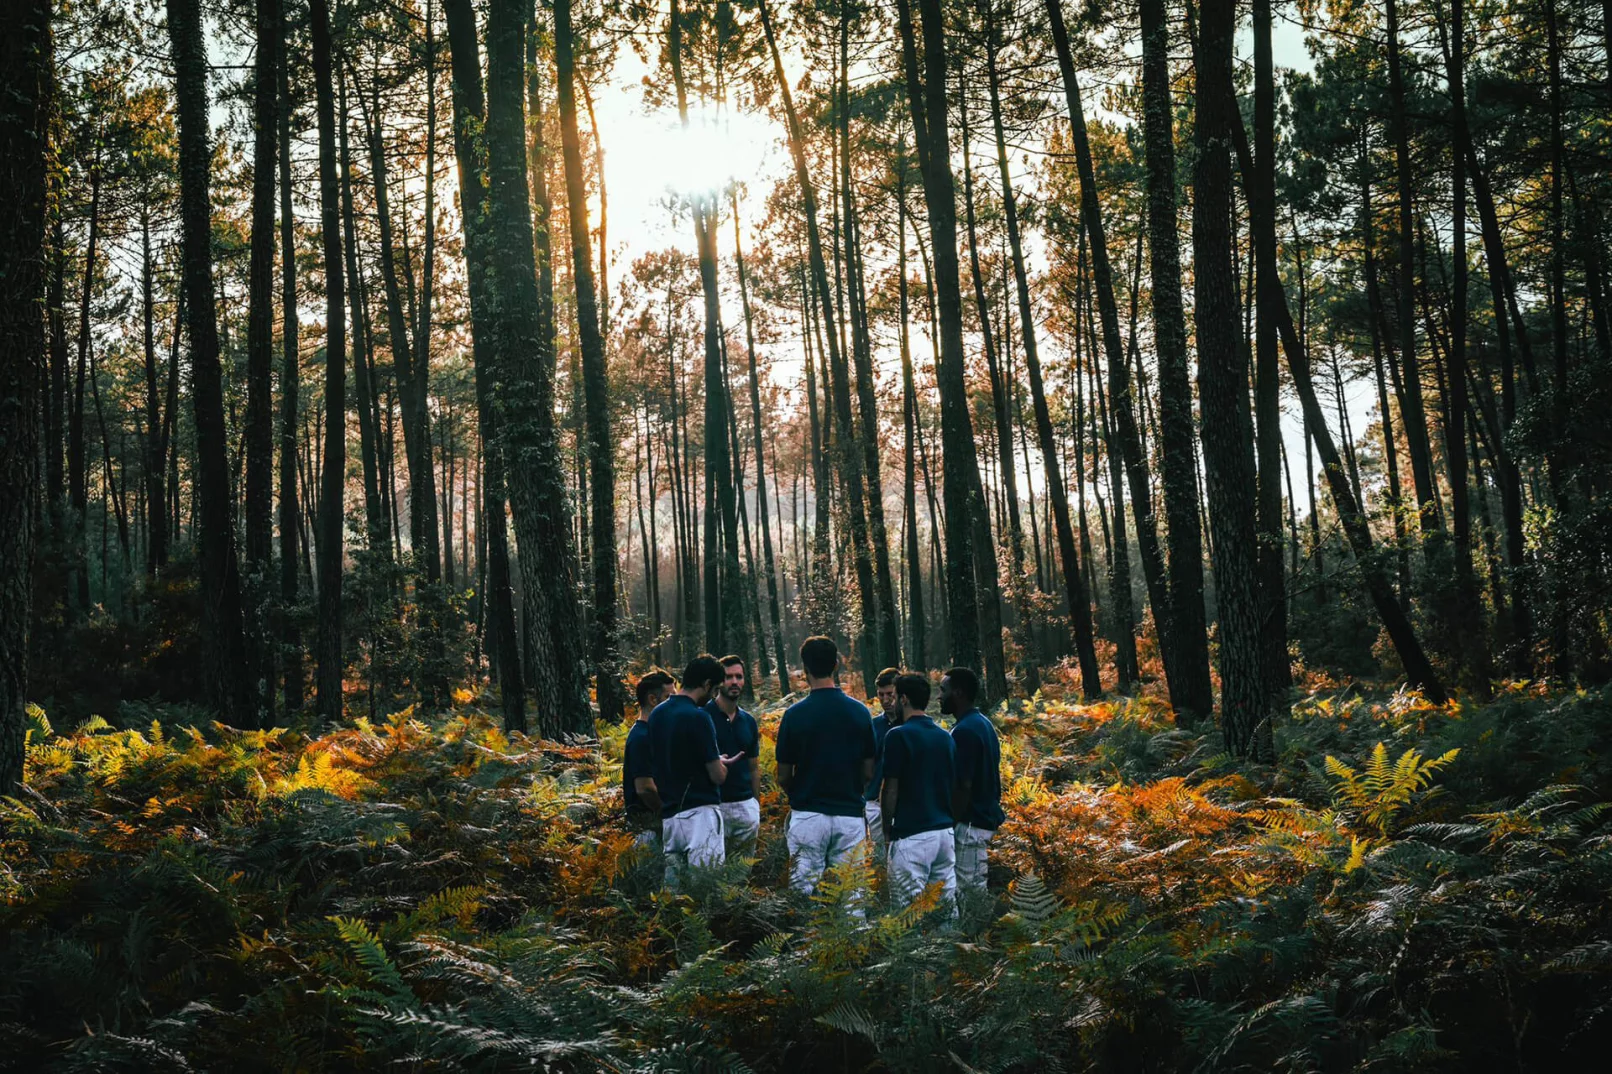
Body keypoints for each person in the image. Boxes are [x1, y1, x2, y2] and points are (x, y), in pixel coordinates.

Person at [774, 636, 877, 896]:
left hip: (808, 814)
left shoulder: (794, 715)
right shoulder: (860, 712)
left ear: (804, 669)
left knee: (803, 896)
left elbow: (783, 775)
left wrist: (800, 793)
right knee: (851, 897)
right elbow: (868, 771)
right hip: (849, 815)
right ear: (835, 666)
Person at [648, 655, 745, 888]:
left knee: (674, 892)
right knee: (705, 890)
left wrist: (711, 759)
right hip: (700, 814)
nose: (713, 696)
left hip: (671, 815)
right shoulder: (699, 717)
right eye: (714, 690)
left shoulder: (658, 714)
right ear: (707, 684)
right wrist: (721, 765)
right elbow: (717, 776)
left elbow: (672, 756)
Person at [880, 673, 956, 908]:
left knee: (906, 915)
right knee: (945, 909)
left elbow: (890, 789)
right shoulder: (945, 737)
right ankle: (951, 945)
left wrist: (886, 830)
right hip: (944, 833)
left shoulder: (897, 736)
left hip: (912, 835)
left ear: (903, 699)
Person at [943, 667, 1004, 895]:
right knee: (971, 885)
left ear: (957, 693)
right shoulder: (982, 723)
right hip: (979, 819)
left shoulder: (965, 731)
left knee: (969, 889)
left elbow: (963, 785)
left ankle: (977, 929)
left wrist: (951, 822)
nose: (939, 696)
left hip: (969, 824)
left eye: (943, 690)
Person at [709, 655, 762, 859]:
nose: (734, 682)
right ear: (718, 681)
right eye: (728, 677)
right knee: (713, 870)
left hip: (745, 806)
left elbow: (754, 768)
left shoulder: (748, 721)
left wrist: (755, 805)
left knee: (742, 873)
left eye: (738, 677)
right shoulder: (703, 716)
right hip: (714, 806)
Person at [624, 670, 676, 849]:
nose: (675, 704)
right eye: (670, 698)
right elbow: (645, 788)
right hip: (648, 830)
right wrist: (670, 815)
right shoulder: (641, 737)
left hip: (656, 825)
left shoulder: (653, 733)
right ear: (653, 700)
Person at [862, 667, 902, 857]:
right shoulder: (873, 726)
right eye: (881, 695)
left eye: (890, 695)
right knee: (880, 857)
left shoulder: (911, 724)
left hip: (906, 804)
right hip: (875, 804)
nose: (885, 700)